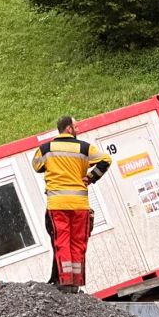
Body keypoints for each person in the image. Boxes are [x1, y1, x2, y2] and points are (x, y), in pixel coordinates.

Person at [32, 115, 111, 292]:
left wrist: (53, 167)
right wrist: (91, 177)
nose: (78, 129)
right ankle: (75, 283)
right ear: (68, 128)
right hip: (79, 204)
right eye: (76, 126)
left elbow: (36, 166)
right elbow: (106, 160)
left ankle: (64, 282)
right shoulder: (84, 147)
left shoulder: (46, 148)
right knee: (78, 243)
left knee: (62, 242)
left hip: (57, 204)